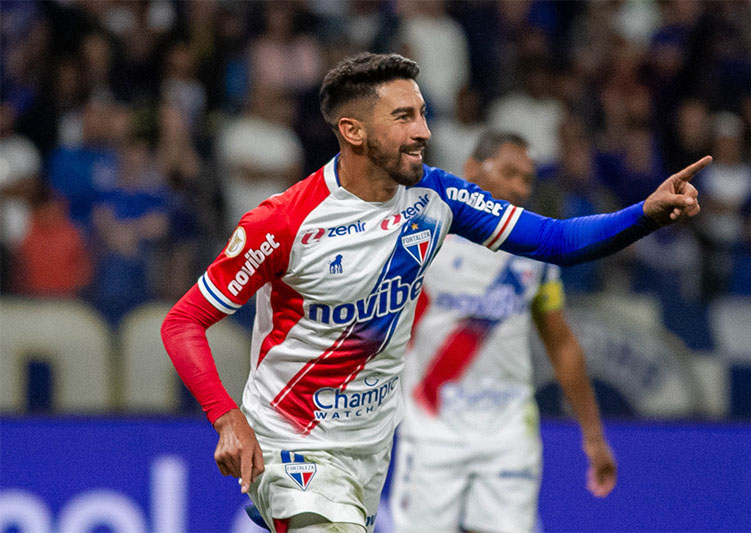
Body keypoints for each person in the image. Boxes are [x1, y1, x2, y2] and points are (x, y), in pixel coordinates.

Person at [161, 52, 710, 532]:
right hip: (289, 442)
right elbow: (182, 322)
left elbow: (556, 241)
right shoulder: (283, 222)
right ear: (353, 131)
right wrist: (226, 417)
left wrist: (645, 214)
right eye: (404, 117)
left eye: (422, 113)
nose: (424, 130)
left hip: (371, 448)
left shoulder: (436, 198)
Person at [389, 131, 616, 533]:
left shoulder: (534, 255)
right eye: (509, 172)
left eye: (526, 179)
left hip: (509, 439)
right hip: (431, 437)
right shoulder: (421, 237)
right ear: (471, 170)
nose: (518, 187)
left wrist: (593, 437)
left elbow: (561, 343)